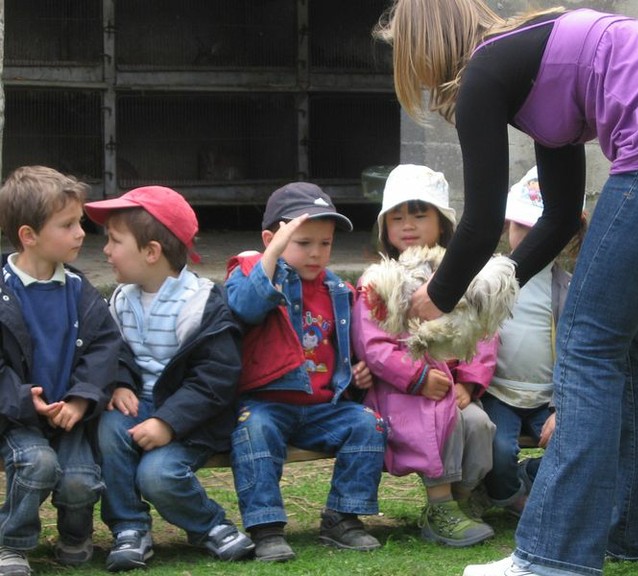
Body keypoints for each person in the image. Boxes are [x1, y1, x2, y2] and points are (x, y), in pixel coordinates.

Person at [377, 1, 638, 575]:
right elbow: (560, 217)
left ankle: (550, 557)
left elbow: (480, 222)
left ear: (424, 46)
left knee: (588, 343)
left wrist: (436, 297)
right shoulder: (536, 60)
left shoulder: (484, 70)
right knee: (637, 342)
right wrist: (492, 286)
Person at [84, 186, 254, 572]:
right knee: (108, 427)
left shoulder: (202, 304)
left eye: (114, 241)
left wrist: (168, 421)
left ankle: (210, 525)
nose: (105, 250)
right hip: (138, 406)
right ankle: (129, 528)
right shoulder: (121, 299)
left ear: (151, 252)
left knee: (157, 475)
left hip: (192, 418)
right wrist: (120, 382)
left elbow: (215, 378)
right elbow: (112, 351)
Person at [224, 182, 386, 562]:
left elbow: (343, 347)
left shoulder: (338, 289)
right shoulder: (250, 272)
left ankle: (342, 517)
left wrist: (357, 374)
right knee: (255, 431)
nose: (316, 253)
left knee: (368, 424)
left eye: (325, 243)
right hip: (266, 403)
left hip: (321, 407)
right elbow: (246, 307)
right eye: (303, 243)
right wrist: (272, 255)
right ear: (272, 240)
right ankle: (266, 528)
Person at [351, 164, 497, 547]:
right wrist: (416, 378)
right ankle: (440, 506)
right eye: (397, 217)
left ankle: (461, 500)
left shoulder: (464, 275)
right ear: (385, 226)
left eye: (419, 215)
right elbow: (373, 344)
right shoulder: (379, 281)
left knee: (478, 424)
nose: (407, 225)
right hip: (402, 390)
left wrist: (468, 382)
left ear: (442, 223)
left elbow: (482, 332)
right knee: (438, 418)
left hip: (451, 385)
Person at [0, 166, 121, 576]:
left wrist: (82, 398)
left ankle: (75, 535)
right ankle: (12, 543)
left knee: (80, 480)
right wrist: (22, 399)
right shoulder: (3, 291)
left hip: (70, 417)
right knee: (37, 465)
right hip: (16, 418)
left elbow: (104, 348)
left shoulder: (81, 290)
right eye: (67, 225)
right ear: (28, 235)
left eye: (80, 222)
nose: (80, 233)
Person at [480, 166, 582, 518]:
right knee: (498, 448)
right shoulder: (488, 279)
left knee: (572, 445)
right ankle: (509, 494)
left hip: (547, 397)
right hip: (498, 392)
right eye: (521, 227)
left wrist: (561, 407)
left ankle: (531, 476)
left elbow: (574, 351)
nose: (528, 239)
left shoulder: (567, 287)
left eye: (540, 231)